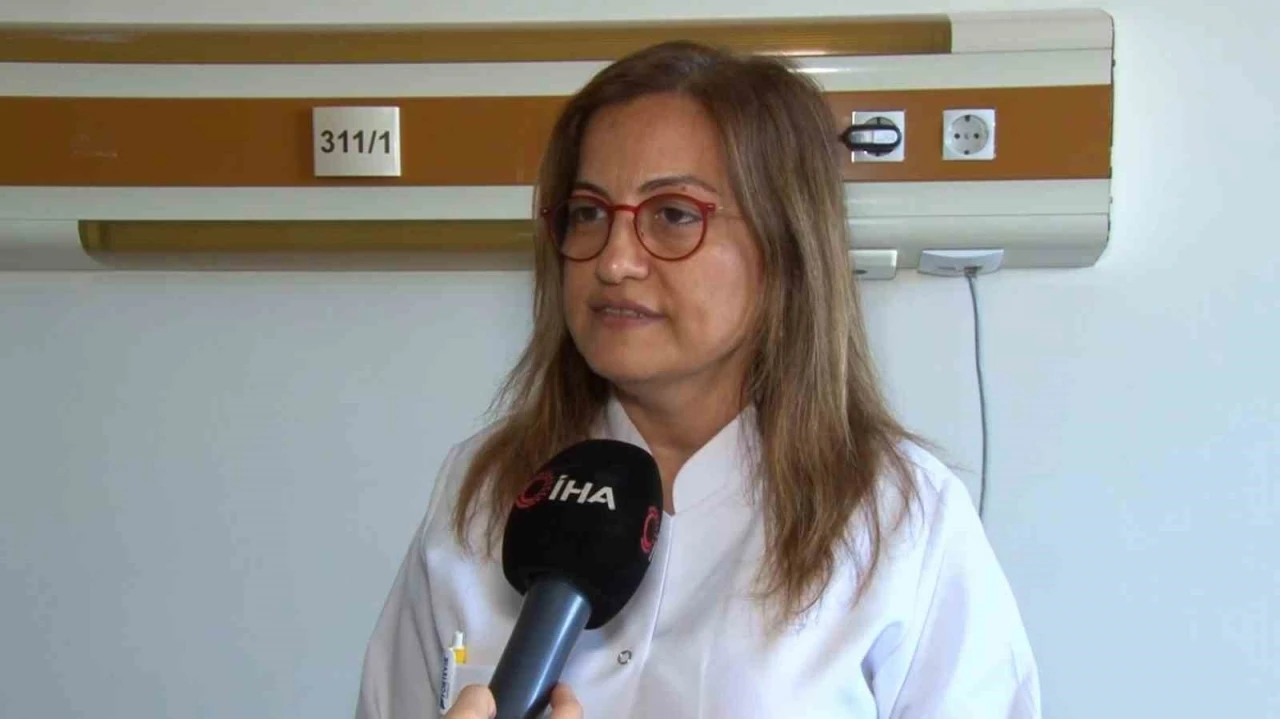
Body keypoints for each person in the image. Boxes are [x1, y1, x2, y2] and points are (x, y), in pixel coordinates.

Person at [355, 40, 1040, 719]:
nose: (614, 261)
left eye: (674, 214)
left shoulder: (903, 520)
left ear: (784, 246)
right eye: (589, 212)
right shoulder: (480, 490)